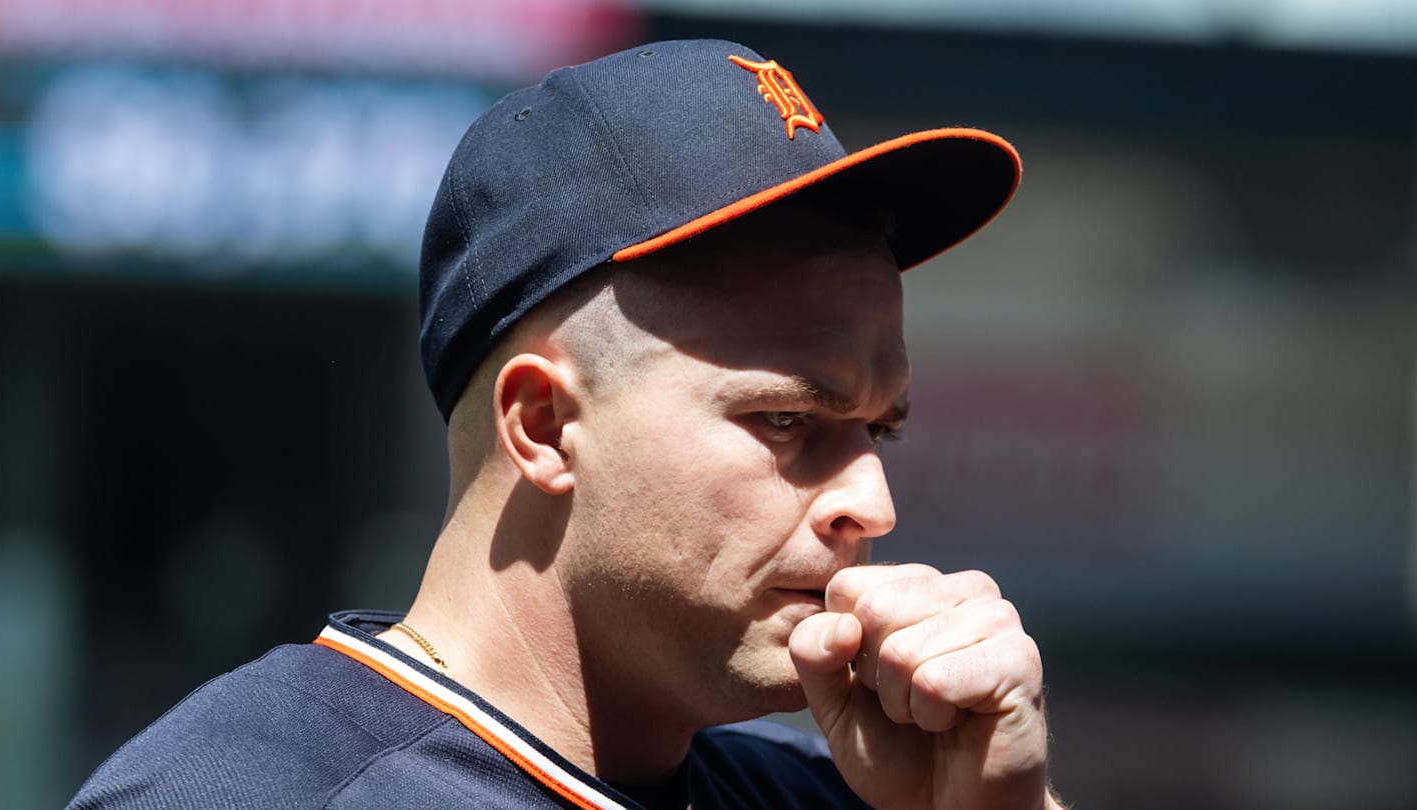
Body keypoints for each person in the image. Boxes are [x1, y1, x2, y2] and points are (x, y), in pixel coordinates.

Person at [69, 39, 1064, 809]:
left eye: (880, 431)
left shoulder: (842, 793)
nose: (872, 505)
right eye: (786, 419)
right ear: (543, 426)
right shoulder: (251, 791)